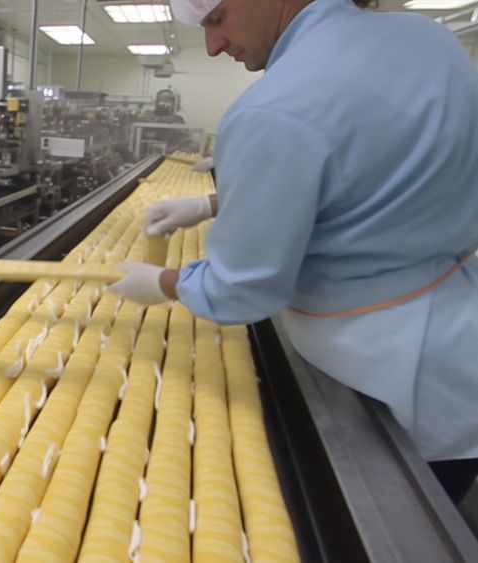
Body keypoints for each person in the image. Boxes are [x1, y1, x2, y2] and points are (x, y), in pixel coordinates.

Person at [109, 0, 478, 503]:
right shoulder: (428, 40)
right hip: (459, 355)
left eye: (217, 19)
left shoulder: (273, 106)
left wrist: (162, 282)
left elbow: (242, 290)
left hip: (377, 381)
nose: (214, 46)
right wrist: (217, 201)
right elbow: (379, 172)